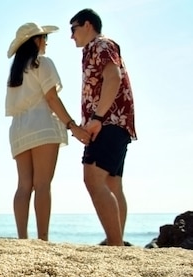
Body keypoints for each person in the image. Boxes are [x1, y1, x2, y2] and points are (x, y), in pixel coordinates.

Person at [6, 22, 90, 241]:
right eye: (44, 38)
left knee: (24, 185)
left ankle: (22, 239)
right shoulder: (42, 63)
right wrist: (73, 126)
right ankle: (43, 239)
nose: (46, 43)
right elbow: (52, 98)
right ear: (35, 41)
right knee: (42, 184)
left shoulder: (15, 73)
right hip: (41, 125)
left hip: (18, 129)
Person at [69, 9, 137, 246]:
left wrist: (97, 118)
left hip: (109, 122)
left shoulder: (101, 44)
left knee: (93, 178)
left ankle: (115, 244)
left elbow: (114, 77)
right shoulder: (93, 49)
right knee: (112, 183)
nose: (71, 36)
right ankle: (116, 241)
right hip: (117, 123)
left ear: (87, 25)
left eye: (73, 28)